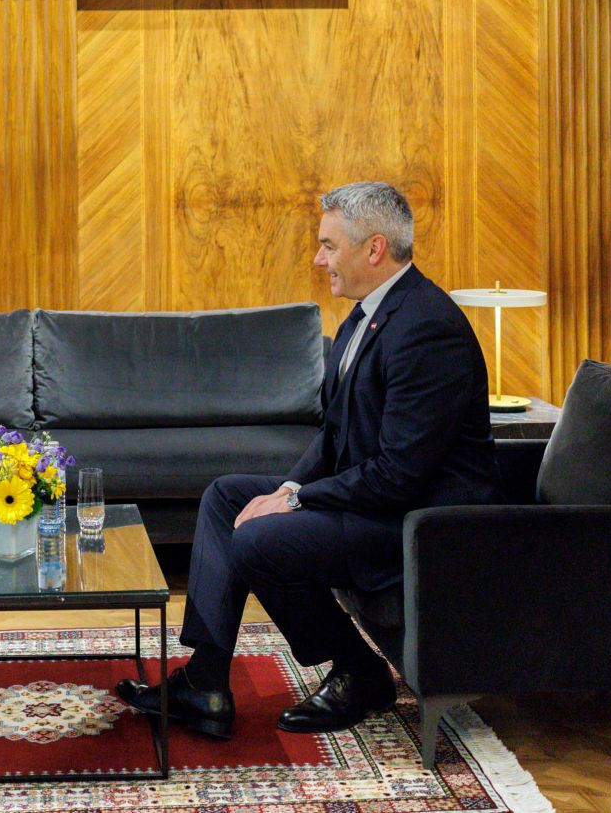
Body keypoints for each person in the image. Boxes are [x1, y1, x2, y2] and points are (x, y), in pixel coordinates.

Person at [118, 183, 500, 740]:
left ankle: (359, 671)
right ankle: (205, 681)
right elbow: (334, 433)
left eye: (328, 245)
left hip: (419, 523)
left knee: (259, 539)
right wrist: (289, 486)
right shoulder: (364, 316)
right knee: (226, 496)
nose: (319, 259)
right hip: (376, 502)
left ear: (374, 248)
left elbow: (400, 475)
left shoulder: (427, 328)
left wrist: (296, 499)